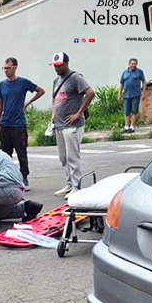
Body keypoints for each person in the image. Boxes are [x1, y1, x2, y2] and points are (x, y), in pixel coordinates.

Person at [0, 57, 45, 188]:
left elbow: (41, 91)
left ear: (15, 68)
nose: (6, 70)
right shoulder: (2, 84)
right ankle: (8, 177)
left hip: (19, 125)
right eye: (4, 68)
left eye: (8, 68)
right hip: (5, 124)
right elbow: (0, 104)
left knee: (21, 152)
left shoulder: (23, 83)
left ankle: (24, 177)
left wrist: (28, 102)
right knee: (5, 154)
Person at [50, 52, 95, 198]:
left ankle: (76, 185)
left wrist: (78, 113)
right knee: (63, 157)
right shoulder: (56, 80)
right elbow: (54, 99)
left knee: (72, 156)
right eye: (55, 66)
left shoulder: (76, 78)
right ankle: (69, 184)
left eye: (59, 65)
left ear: (66, 64)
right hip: (59, 124)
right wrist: (53, 115)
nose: (57, 68)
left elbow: (90, 93)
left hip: (72, 125)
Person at [117, 58, 146, 133]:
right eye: (132, 64)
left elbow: (144, 82)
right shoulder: (124, 73)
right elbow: (121, 84)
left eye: (134, 64)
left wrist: (144, 93)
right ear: (129, 64)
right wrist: (119, 94)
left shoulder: (139, 72)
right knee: (126, 112)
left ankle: (132, 127)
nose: (133, 65)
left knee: (134, 111)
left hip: (135, 94)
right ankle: (126, 127)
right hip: (126, 95)